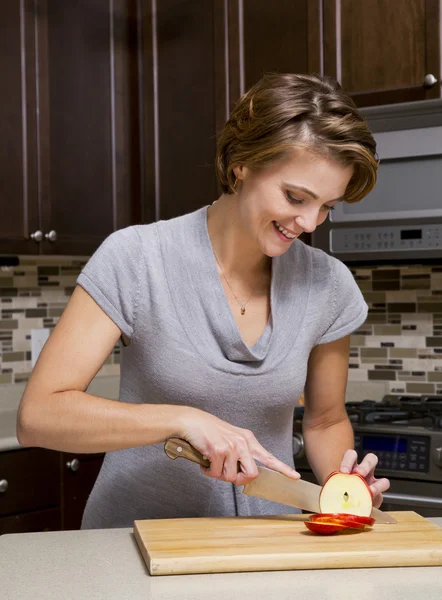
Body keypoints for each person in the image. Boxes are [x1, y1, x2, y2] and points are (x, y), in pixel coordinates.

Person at [17, 72, 390, 529]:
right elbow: (40, 414)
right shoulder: (137, 258)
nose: (310, 222)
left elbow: (325, 422)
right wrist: (182, 419)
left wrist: (344, 484)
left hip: (265, 547)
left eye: (328, 206)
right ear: (242, 164)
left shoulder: (328, 285)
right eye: (296, 196)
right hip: (132, 537)